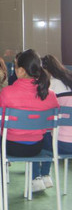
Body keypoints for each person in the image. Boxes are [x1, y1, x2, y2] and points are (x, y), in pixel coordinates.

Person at [0, 49, 59, 194]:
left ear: (22, 71)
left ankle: (0, 186)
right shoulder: (50, 95)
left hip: (11, 146)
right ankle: (43, 174)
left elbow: (0, 123)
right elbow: (51, 123)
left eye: (16, 66)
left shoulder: (7, 92)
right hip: (37, 146)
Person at [32, 54, 72, 190]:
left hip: (62, 143)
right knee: (49, 135)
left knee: (38, 138)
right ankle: (46, 176)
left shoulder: (52, 85)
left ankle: (37, 178)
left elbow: (44, 114)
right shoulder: (69, 80)